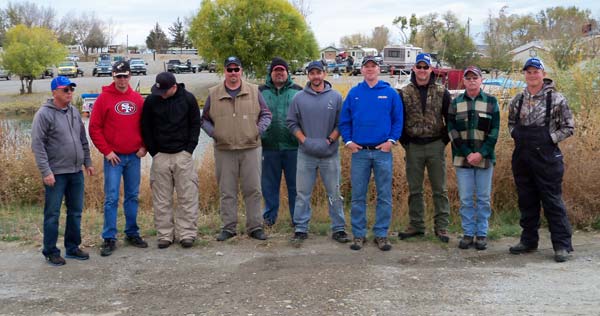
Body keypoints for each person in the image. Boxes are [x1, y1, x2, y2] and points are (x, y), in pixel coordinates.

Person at [507, 57, 575, 263]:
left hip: (547, 157)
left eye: (535, 71)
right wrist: (517, 135)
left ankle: (562, 245)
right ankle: (528, 240)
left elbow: (568, 127)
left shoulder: (556, 99)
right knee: (526, 200)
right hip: (523, 155)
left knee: (552, 200)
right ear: (524, 75)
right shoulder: (517, 99)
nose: (532, 75)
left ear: (543, 74)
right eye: (528, 72)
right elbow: (511, 123)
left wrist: (550, 138)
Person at [201, 56, 272, 241]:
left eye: (236, 69)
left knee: (253, 189)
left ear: (241, 70)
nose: (233, 73)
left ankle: (255, 227)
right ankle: (228, 227)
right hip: (224, 149)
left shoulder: (254, 90)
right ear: (224, 71)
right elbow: (204, 119)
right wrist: (215, 133)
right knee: (227, 191)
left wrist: (257, 130)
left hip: (250, 147)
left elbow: (266, 114)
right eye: (229, 69)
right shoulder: (214, 93)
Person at [339, 56, 403, 251]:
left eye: (373, 66)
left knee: (384, 195)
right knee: (358, 195)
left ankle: (381, 234)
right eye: (366, 67)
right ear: (362, 70)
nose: (369, 70)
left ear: (378, 69)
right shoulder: (354, 93)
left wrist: (391, 141)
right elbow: (345, 120)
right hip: (360, 152)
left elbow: (397, 120)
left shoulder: (390, 93)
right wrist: (349, 141)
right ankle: (359, 234)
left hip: (382, 151)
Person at [31, 76, 95, 266]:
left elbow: (82, 140)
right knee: (52, 214)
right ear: (54, 92)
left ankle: (73, 247)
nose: (69, 93)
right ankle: (50, 251)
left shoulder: (74, 112)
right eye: (65, 90)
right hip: (56, 173)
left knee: (75, 212)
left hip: (76, 171)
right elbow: (38, 145)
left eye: (71, 89)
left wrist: (88, 162)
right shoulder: (43, 114)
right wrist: (46, 171)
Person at [286, 60, 349, 246]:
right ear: (308, 75)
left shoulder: (336, 97)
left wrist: (330, 139)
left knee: (334, 193)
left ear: (324, 74)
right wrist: (304, 139)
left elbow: (342, 123)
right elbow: (291, 123)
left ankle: (338, 228)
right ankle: (300, 229)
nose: (316, 76)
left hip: (329, 154)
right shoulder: (298, 98)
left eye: (318, 72)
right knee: (302, 193)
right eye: (312, 73)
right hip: (306, 153)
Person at [89, 61, 148, 257]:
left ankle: (132, 233)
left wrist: (144, 146)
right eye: (118, 76)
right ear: (113, 77)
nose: (122, 80)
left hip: (133, 156)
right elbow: (94, 128)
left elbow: (147, 126)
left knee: (132, 196)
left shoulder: (137, 99)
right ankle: (109, 237)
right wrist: (106, 151)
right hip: (113, 158)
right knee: (111, 198)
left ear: (130, 76)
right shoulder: (103, 99)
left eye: (125, 76)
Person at [141, 72, 201, 249]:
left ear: (174, 87)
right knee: (162, 199)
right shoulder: (151, 101)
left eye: (164, 91)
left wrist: (189, 149)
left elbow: (195, 124)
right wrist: (154, 152)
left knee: (187, 197)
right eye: (158, 91)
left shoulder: (188, 99)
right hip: (160, 156)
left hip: (183, 155)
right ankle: (165, 235)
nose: (161, 94)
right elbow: (146, 126)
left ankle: (187, 234)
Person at [398, 53, 452, 243]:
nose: (422, 71)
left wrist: (443, 140)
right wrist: (405, 142)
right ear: (414, 68)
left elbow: (450, 119)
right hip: (413, 146)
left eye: (425, 67)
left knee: (440, 188)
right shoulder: (404, 92)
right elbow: (399, 120)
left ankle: (442, 226)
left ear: (431, 69)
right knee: (415, 189)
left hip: (435, 145)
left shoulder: (441, 91)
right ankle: (417, 225)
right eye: (419, 67)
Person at [447, 66, 500, 251]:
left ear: (481, 80)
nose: (471, 81)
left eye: (474, 78)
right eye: (468, 78)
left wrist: (481, 153)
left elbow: (494, 132)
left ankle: (482, 234)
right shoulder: (455, 103)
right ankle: (468, 233)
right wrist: (467, 153)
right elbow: (451, 130)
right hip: (463, 159)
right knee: (466, 199)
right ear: (463, 81)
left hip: (484, 159)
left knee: (483, 198)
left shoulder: (492, 102)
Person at [259, 57, 303, 227]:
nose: (279, 73)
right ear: (271, 73)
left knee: (295, 187)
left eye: (282, 70)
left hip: (294, 147)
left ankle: (297, 219)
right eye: (276, 70)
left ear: (287, 73)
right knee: (269, 186)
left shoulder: (298, 91)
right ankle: (269, 218)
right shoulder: (260, 91)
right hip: (268, 147)